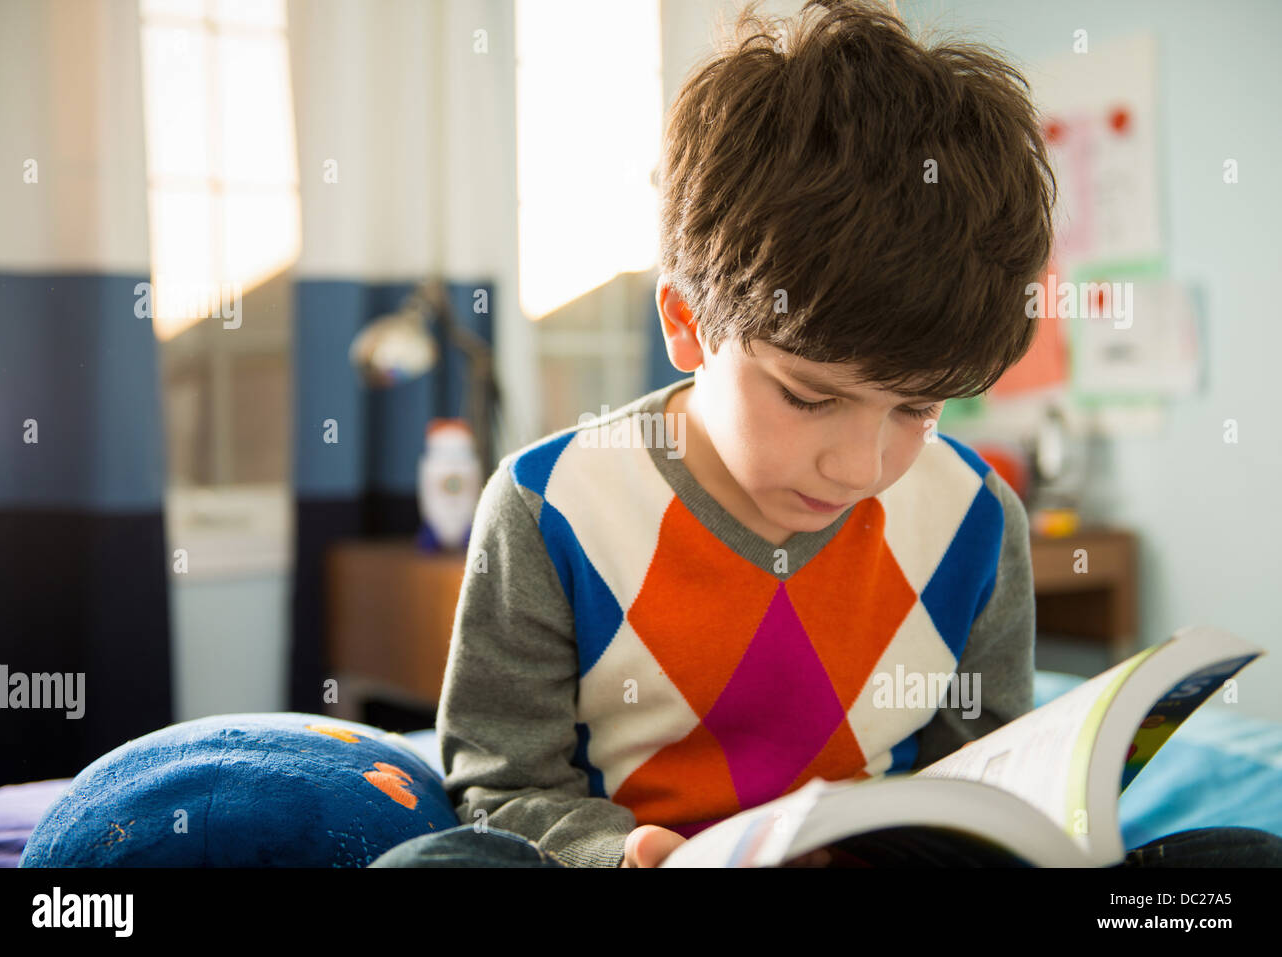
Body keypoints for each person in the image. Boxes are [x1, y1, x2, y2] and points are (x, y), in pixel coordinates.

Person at [371, 0, 1281, 870]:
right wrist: (620, 851)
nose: (861, 466)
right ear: (687, 322)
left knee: (1235, 863)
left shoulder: (977, 519)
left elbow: (987, 779)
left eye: (917, 410)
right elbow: (505, 783)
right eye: (810, 398)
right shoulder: (544, 508)